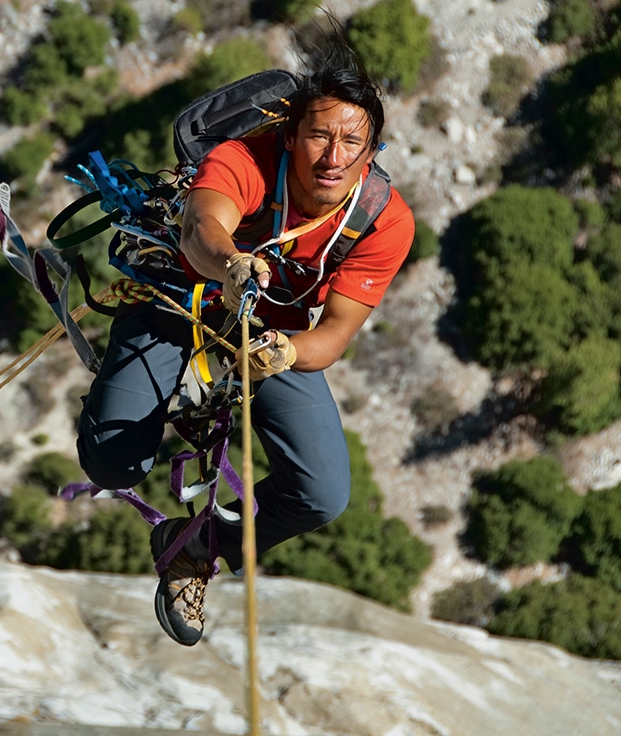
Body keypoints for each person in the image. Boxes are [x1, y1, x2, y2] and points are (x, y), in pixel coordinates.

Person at [75, 38, 415, 647]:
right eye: (319, 137)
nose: (333, 157)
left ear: (371, 149)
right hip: (183, 297)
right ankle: (120, 403)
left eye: (351, 142)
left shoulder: (384, 220)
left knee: (321, 494)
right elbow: (203, 227)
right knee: (111, 461)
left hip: (271, 335)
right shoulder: (245, 159)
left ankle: (192, 549)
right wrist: (230, 265)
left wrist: (287, 353)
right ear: (290, 134)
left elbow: (333, 333)